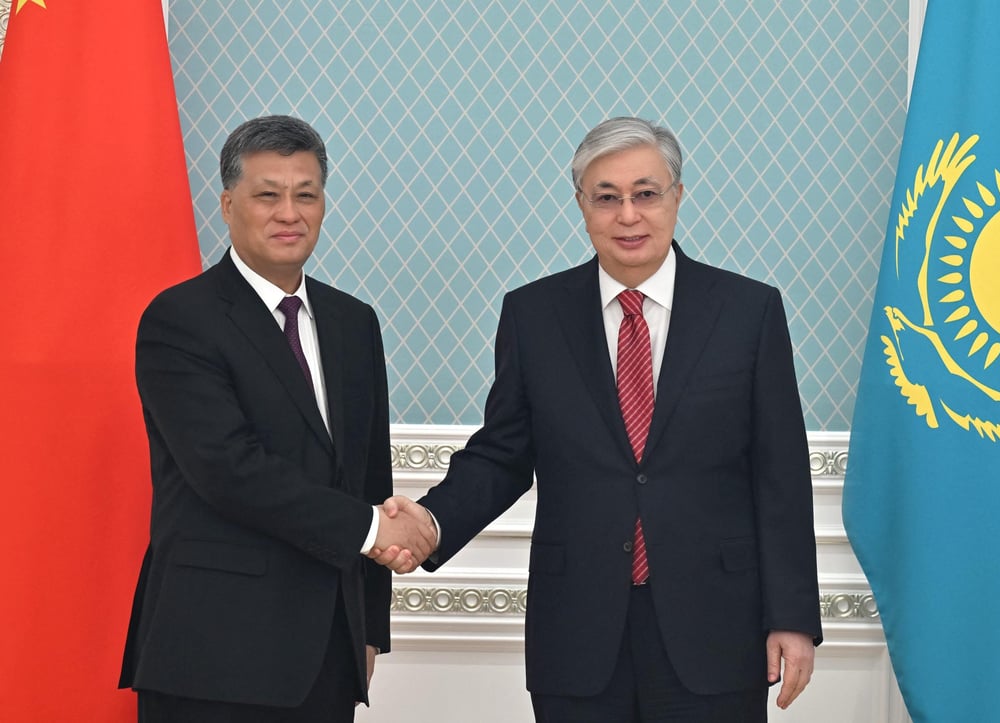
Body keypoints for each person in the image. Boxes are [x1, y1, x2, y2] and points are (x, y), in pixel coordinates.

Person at [374, 116, 822, 722]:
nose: (628, 215)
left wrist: (792, 617)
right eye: (606, 198)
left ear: (678, 197)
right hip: (579, 630)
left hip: (716, 627)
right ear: (581, 205)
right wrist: (430, 521)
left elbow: (782, 476)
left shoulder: (748, 311)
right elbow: (503, 454)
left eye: (646, 193)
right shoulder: (534, 314)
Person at [119, 115, 436, 722]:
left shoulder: (353, 322)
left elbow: (368, 475)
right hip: (212, 656)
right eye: (268, 194)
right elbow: (228, 469)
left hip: (328, 656)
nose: (288, 213)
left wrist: (369, 629)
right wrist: (374, 531)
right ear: (228, 203)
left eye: (305, 194)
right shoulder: (180, 319)